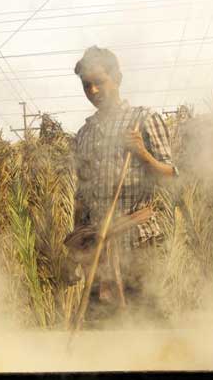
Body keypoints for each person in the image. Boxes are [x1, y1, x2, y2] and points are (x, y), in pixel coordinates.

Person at [66, 46, 176, 310]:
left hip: (138, 245)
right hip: (97, 248)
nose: (93, 90)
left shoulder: (143, 119)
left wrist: (143, 154)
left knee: (145, 321)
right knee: (99, 325)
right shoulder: (84, 133)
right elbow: (81, 195)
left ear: (117, 79)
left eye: (99, 82)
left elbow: (171, 176)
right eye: (86, 85)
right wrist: (77, 244)